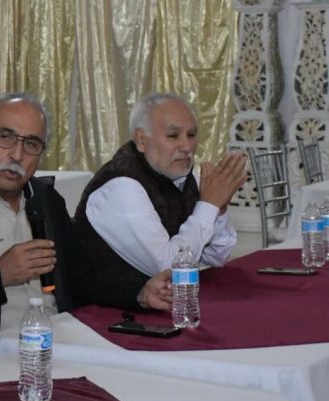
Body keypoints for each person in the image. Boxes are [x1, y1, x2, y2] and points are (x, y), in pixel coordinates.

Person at [0, 92, 172, 354]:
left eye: (31, 144)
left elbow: (82, 275)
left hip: (62, 345)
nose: (17, 155)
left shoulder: (45, 199)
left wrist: (139, 291)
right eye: (5, 137)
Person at [74, 93, 247, 284]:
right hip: (106, 302)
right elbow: (170, 269)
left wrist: (219, 208)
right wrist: (208, 205)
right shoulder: (121, 187)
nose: (187, 146)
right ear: (141, 140)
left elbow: (216, 258)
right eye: (173, 136)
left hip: (167, 298)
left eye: (191, 135)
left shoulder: (183, 176)